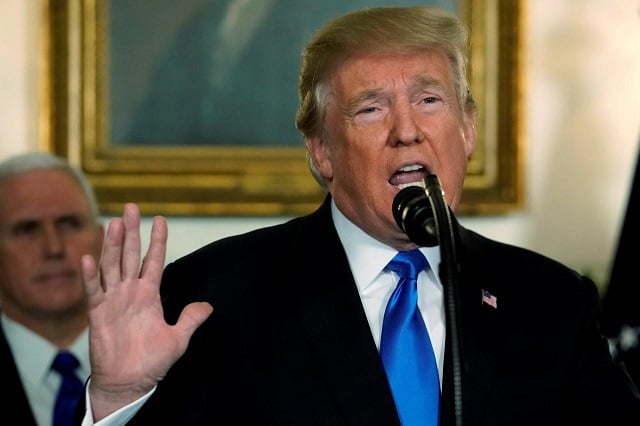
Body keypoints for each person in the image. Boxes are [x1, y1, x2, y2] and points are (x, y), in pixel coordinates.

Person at [80, 6, 640, 425]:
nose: (407, 130)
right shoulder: (216, 298)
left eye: (430, 100)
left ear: (467, 129)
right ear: (321, 149)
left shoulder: (551, 303)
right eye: (371, 109)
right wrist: (118, 401)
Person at [0, 152, 104, 425]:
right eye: (27, 229)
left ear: (101, 241)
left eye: (69, 224)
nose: (54, 248)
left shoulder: (175, 367)